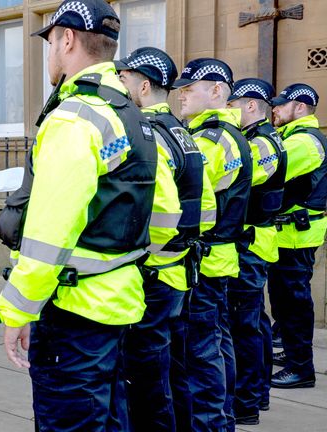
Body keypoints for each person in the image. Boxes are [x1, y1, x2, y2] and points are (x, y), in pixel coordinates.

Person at [0, 1, 158, 430]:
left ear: (66, 40)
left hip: (74, 312)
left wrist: (18, 311)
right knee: (109, 415)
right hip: (117, 301)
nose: (49, 53)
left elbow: (49, 234)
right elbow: (159, 213)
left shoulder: (75, 118)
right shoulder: (129, 115)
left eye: (49, 42)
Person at [116, 47, 215, 432]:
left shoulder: (147, 135)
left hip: (155, 276)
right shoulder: (182, 133)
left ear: (142, 86)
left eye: (123, 80)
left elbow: (163, 213)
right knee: (174, 371)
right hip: (179, 271)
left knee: (147, 380)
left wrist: (146, 257)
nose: (118, 86)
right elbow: (205, 206)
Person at [174, 58, 252, 432]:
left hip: (205, 260)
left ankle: (211, 424)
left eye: (190, 88)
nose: (181, 95)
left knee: (201, 353)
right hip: (218, 258)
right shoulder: (223, 134)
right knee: (217, 345)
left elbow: (182, 191)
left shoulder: (212, 139)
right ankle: (223, 418)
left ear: (218, 91)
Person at [226, 78, 286, 425]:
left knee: (245, 326)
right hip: (253, 242)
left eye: (233, 104)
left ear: (250, 105)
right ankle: (257, 393)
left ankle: (247, 400)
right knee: (255, 323)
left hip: (251, 243)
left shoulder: (262, 143)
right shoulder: (257, 138)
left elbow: (242, 182)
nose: (228, 110)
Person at [267, 83, 326, 389]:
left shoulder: (303, 142)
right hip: (290, 234)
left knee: (294, 304)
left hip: (295, 236)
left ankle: (301, 368)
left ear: (299, 107)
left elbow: (270, 173)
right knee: (286, 303)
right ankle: (292, 355)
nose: (274, 109)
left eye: (280, 105)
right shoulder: (295, 137)